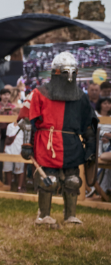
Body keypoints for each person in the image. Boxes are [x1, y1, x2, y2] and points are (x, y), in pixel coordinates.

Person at [17, 52, 97, 226]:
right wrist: (26, 144)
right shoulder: (39, 93)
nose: (69, 77)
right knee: (49, 180)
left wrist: (91, 148)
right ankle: (43, 216)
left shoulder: (81, 97)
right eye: (66, 72)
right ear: (56, 73)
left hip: (71, 143)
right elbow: (26, 120)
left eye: (73, 73)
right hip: (47, 142)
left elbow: (88, 125)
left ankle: (70, 216)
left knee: (73, 180)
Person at [4, 111, 25, 192]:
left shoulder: (22, 126)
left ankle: (19, 187)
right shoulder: (9, 126)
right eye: (12, 114)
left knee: (20, 169)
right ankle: (8, 185)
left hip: (18, 149)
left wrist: (22, 150)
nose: (13, 116)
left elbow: (24, 139)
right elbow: (7, 138)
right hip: (9, 149)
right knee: (7, 169)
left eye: (15, 114)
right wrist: (4, 149)